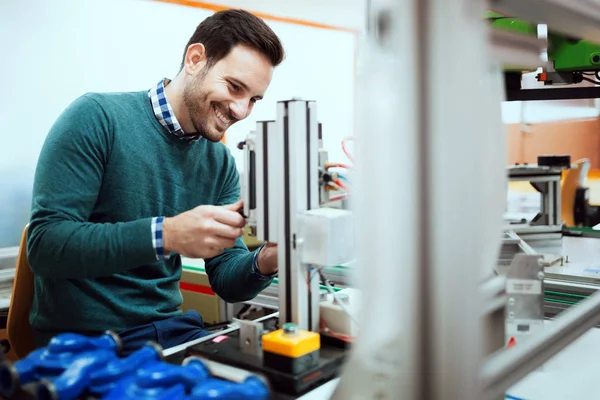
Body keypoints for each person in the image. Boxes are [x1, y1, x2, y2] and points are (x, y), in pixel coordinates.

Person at [26, 9, 284, 354]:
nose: (241, 110)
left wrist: (266, 260)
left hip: (171, 334)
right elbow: (45, 246)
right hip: (88, 344)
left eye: (253, 99)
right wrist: (168, 235)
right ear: (195, 59)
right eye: (234, 87)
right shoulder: (97, 118)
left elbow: (226, 276)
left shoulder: (218, 161)